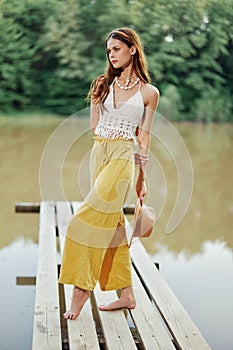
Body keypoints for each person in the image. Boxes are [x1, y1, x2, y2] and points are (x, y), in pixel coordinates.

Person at [58, 27, 159, 320]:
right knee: (112, 226)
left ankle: (81, 291)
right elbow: (94, 126)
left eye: (116, 48)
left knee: (82, 221)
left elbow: (144, 138)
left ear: (132, 49)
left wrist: (141, 179)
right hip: (98, 153)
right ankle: (127, 295)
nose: (111, 54)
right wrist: (102, 142)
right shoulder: (102, 84)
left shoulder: (149, 92)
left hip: (122, 157)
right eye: (108, 50)